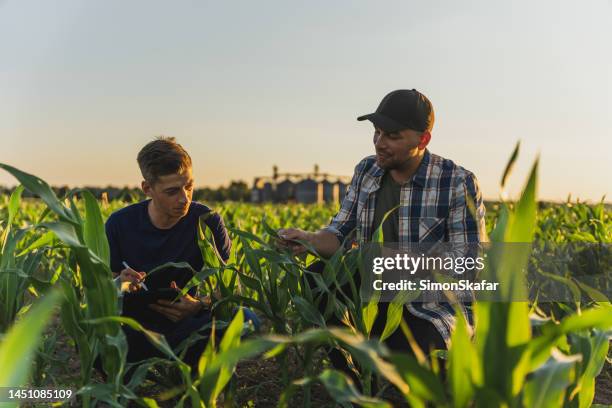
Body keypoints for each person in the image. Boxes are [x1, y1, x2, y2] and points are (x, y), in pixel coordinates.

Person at [278, 89, 487, 369]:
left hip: (427, 307)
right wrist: (309, 240)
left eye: (392, 136)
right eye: (377, 132)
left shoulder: (457, 182)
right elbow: (339, 234)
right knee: (319, 278)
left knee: (420, 354)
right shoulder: (367, 170)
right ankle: (354, 382)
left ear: (423, 139)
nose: (379, 142)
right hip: (372, 298)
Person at [105, 136, 259, 372]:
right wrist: (120, 283)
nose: (184, 198)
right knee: (94, 331)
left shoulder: (206, 221)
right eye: (172, 191)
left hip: (186, 323)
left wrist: (198, 305)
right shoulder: (119, 224)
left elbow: (231, 289)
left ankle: (193, 368)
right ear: (148, 189)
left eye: (189, 186)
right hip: (136, 327)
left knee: (247, 320)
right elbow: (101, 291)